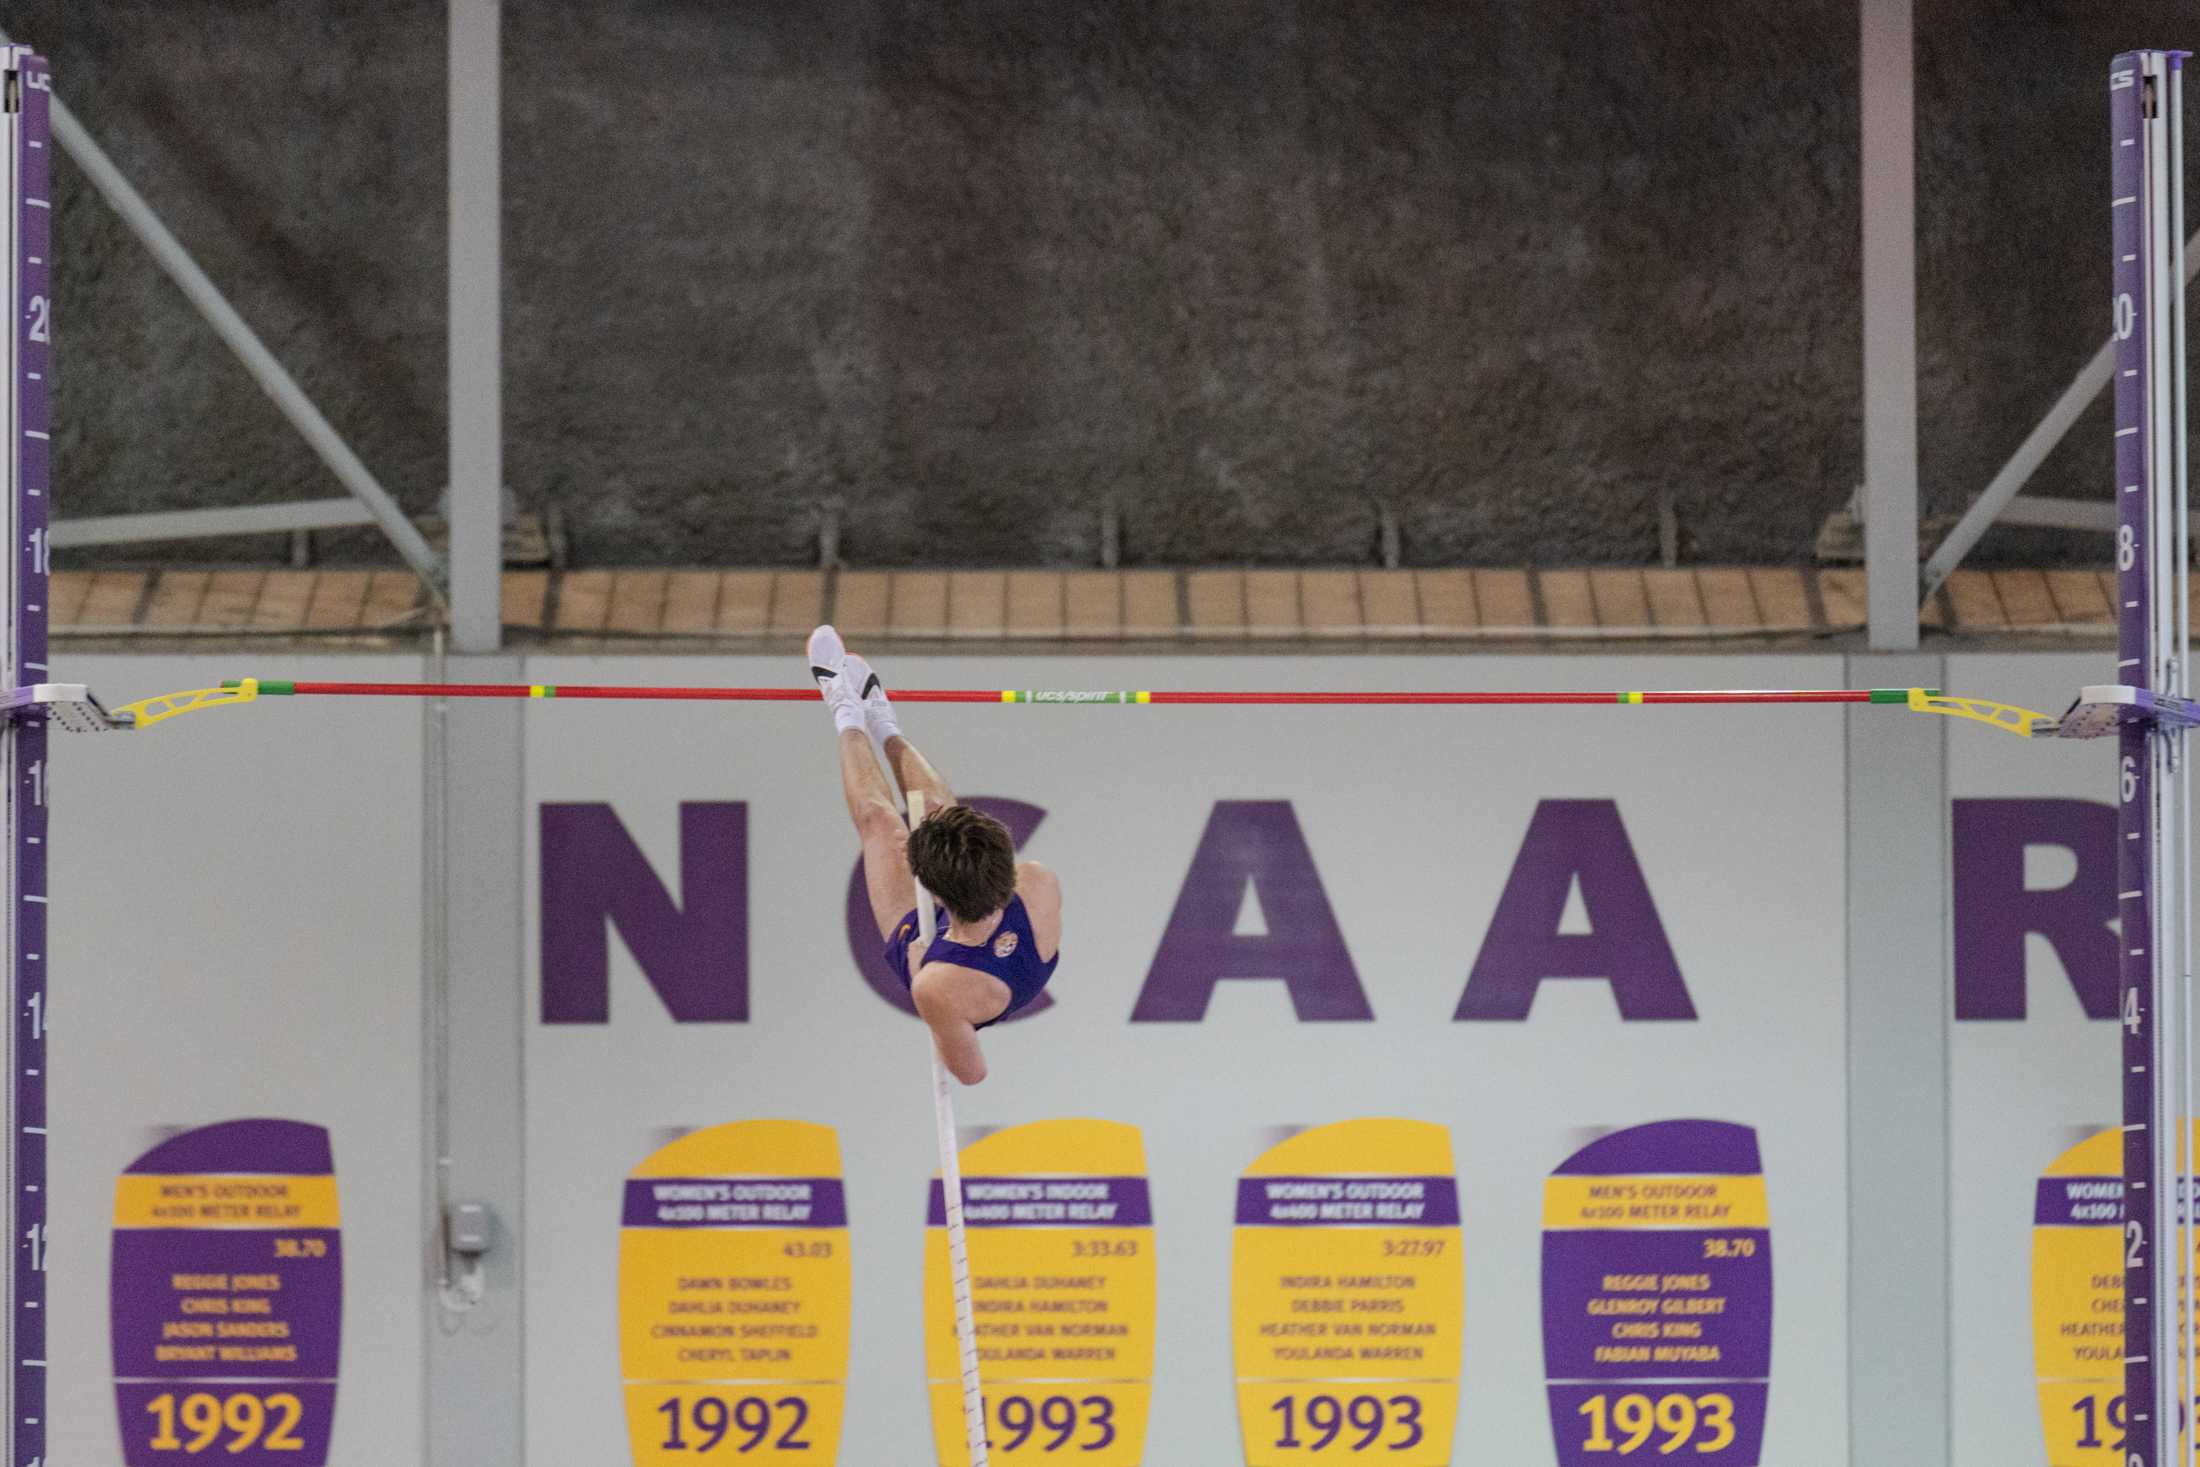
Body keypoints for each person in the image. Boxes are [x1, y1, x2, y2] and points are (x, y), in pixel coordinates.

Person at [809, 625, 1061, 1084]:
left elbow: (971, 1074)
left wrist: (924, 974)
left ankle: (844, 711)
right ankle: (883, 722)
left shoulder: (934, 984)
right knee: (941, 814)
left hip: (945, 969)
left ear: (931, 888)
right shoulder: (1038, 882)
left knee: (878, 822)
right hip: (971, 938)